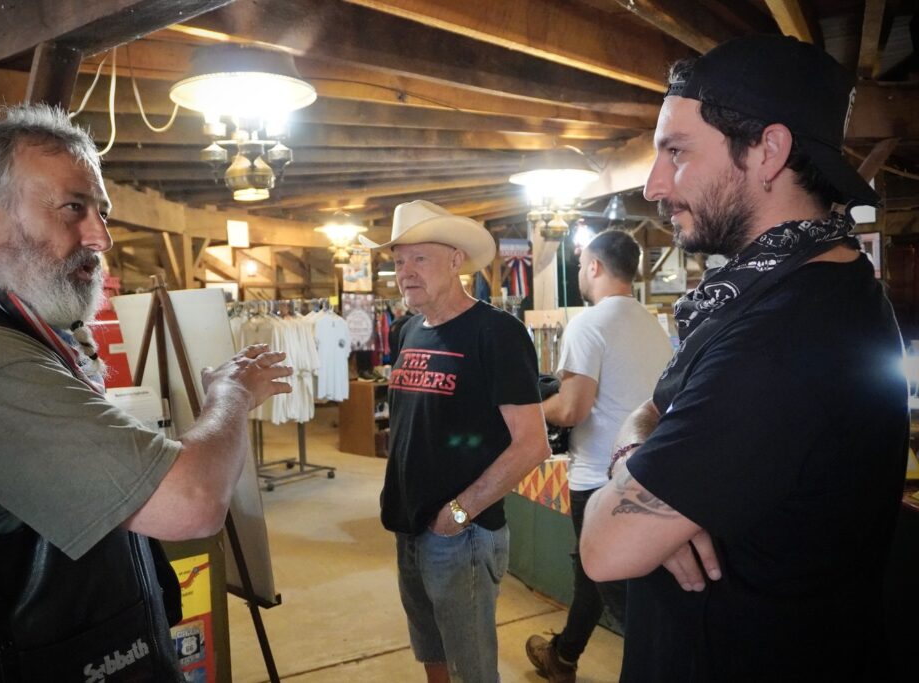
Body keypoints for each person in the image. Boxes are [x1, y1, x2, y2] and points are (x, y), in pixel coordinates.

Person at [0, 104, 292, 681]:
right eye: (73, 208)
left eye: (101, 212)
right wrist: (229, 393)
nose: (101, 237)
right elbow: (189, 502)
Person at [580, 35, 908, 682]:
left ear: (768, 150)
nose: (653, 185)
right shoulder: (768, 293)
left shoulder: (787, 334)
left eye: (676, 151)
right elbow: (649, 409)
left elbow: (604, 546)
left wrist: (638, 482)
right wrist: (645, 460)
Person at [360, 200, 550, 683]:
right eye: (399, 261)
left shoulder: (497, 332)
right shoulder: (407, 330)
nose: (405, 273)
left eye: (419, 259)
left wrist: (458, 515)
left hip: (461, 534)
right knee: (432, 654)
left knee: (473, 669)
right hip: (408, 523)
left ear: (455, 260)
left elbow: (531, 444)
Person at [525, 230, 673, 682]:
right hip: (649, 472)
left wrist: (529, 410)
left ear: (595, 266)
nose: (579, 273)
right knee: (599, 574)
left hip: (598, 481)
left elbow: (571, 408)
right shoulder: (654, 326)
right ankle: (563, 656)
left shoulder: (588, 324)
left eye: (581, 265)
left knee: (620, 597)